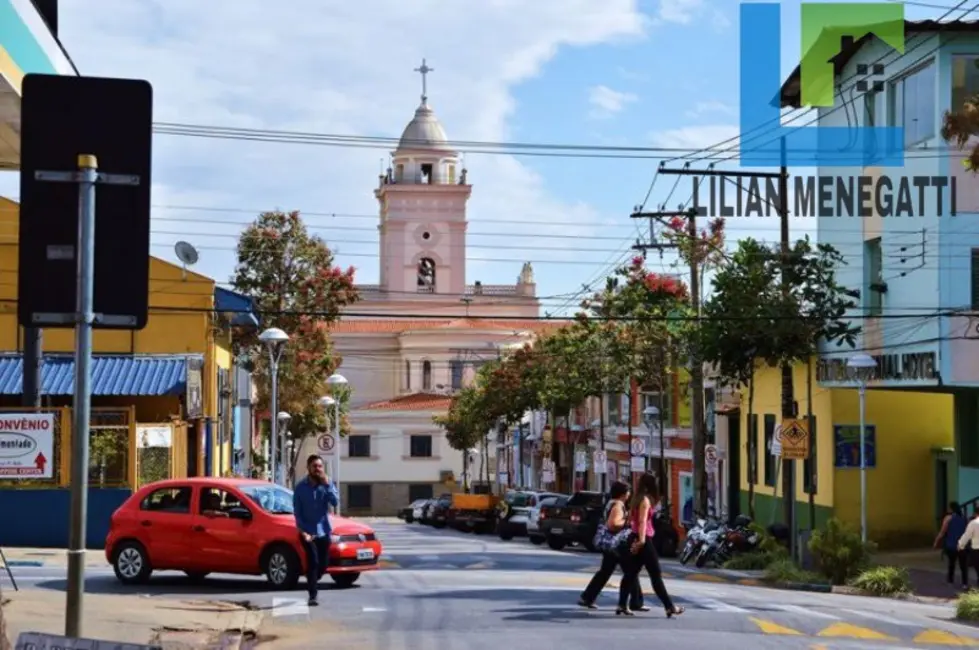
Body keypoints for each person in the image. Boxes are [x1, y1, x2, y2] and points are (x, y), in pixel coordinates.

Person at [618, 473, 684, 618]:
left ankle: (622, 604)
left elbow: (630, 520)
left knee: (630, 573)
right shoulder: (645, 501)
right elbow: (642, 521)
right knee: (655, 574)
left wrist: (635, 539)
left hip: (633, 536)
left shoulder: (635, 499)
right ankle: (669, 606)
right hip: (644, 539)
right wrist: (641, 541)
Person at [578, 481, 645, 611]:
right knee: (631, 571)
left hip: (612, 544)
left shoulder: (610, 503)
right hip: (617, 544)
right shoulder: (618, 505)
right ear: (623, 494)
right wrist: (628, 522)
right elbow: (613, 524)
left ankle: (587, 597)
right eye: (628, 492)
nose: (629, 494)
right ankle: (636, 602)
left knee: (606, 572)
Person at [293, 454, 340, 606]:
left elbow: (335, 502)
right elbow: (297, 513)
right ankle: (313, 595)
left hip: (323, 530)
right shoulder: (300, 488)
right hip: (307, 531)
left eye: (320, 466)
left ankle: (312, 577)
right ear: (308, 468)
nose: (318, 469)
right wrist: (303, 532)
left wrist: (328, 485)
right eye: (315, 466)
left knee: (323, 565)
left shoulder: (326, 484)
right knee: (313, 561)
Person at [935, 501, 968, 587]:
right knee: (963, 566)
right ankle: (964, 583)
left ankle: (950, 581)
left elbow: (942, 532)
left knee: (951, 564)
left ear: (951, 508)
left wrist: (936, 541)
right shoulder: (964, 518)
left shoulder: (948, 518)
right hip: (962, 545)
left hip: (951, 544)